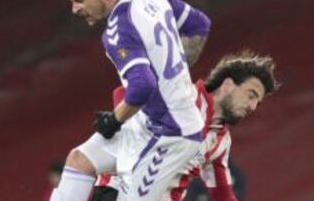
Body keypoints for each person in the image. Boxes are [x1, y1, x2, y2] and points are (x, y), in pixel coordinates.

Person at [50, 0, 211, 200]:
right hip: (147, 121)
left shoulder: (119, 27)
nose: (75, 9)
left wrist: (114, 120)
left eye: (79, 0)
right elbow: (199, 24)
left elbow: (142, 86)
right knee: (80, 161)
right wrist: (174, 77)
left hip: (172, 134)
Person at [91, 50, 279, 201]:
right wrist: (123, 125)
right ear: (228, 84)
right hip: (118, 192)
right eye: (251, 95)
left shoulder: (221, 141)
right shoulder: (181, 95)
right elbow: (125, 92)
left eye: (258, 102)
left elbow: (222, 192)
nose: (253, 106)